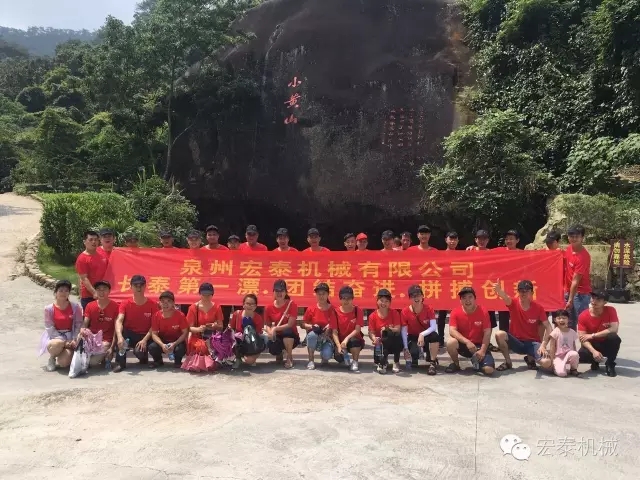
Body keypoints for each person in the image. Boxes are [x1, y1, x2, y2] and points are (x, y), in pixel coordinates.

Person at [493, 279, 552, 371]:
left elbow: (548, 327)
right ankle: (508, 362)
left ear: (532, 293)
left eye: (526, 291)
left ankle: (530, 359)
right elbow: (505, 297)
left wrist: (543, 345)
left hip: (532, 343)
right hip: (516, 342)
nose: (523, 293)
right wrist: (499, 291)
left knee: (547, 362)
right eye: (521, 290)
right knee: (499, 334)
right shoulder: (513, 303)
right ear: (518, 292)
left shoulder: (538, 308)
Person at [445, 287, 495, 375]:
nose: (467, 300)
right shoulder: (455, 312)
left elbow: (487, 332)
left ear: (475, 298)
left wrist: (483, 351)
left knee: (489, 370)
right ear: (460, 300)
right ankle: (456, 364)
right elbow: (452, 331)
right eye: (464, 298)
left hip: (479, 346)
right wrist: (467, 342)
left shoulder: (483, 311)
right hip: (464, 345)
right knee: (451, 343)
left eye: (470, 297)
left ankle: (477, 363)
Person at [113, 275, 157, 373]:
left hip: (146, 335)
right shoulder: (125, 303)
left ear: (145, 286)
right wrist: (119, 336)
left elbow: (154, 325)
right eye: (135, 285)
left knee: (141, 351)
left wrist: (144, 340)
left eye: (141, 285)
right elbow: (119, 320)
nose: (138, 288)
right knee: (120, 332)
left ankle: (143, 356)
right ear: (131, 287)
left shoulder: (153, 304)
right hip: (130, 334)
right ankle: (120, 363)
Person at [40, 280, 83, 372]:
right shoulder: (49, 309)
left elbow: (78, 324)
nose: (64, 293)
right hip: (55, 337)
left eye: (66, 291)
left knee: (63, 363)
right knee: (56, 344)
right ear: (56, 292)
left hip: (71, 336)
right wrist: (64, 341)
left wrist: (74, 339)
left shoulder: (75, 307)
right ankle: (52, 357)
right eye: (61, 290)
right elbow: (49, 327)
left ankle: (63, 354)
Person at [181, 283, 224, 372]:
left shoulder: (217, 307)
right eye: (204, 294)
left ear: (212, 294)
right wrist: (199, 329)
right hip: (198, 336)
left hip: (212, 336)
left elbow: (221, 326)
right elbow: (188, 328)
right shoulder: (193, 307)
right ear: (200, 294)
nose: (206, 297)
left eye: (209, 295)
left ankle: (214, 361)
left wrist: (214, 326)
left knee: (220, 343)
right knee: (201, 346)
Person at [577, 291, 621, 377]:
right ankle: (594, 361)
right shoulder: (583, 315)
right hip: (592, 344)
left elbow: (614, 329)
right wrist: (593, 351)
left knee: (614, 338)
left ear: (605, 302)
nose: (594, 301)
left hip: (605, 343)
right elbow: (582, 338)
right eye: (593, 298)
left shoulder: (611, 310)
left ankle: (610, 363)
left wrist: (592, 335)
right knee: (582, 355)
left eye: (598, 299)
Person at [400, 285, 439, 375]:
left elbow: (433, 327)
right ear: (410, 298)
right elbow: (404, 331)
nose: (416, 298)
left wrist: (422, 334)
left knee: (435, 336)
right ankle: (415, 356)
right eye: (413, 296)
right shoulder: (405, 311)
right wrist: (405, 348)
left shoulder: (429, 309)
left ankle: (432, 362)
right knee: (414, 353)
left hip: (426, 336)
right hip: (413, 336)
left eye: (418, 295)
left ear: (422, 296)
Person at [81, 280, 118, 367]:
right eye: (98, 289)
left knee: (92, 362)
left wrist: (112, 347)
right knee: (80, 336)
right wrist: (82, 331)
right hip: (92, 338)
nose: (101, 292)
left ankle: (106, 356)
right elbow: (85, 324)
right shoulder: (90, 305)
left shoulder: (115, 306)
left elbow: (117, 329)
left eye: (104, 289)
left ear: (109, 291)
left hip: (106, 340)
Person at [264, 280, 299, 368]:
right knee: (272, 348)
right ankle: (279, 353)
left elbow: (290, 324)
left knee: (287, 331)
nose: (279, 293)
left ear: (286, 292)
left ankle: (289, 357)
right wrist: (270, 332)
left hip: (291, 336)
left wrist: (275, 328)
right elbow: (267, 324)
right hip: (278, 335)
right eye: (277, 291)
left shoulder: (292, 304)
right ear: (273, 292)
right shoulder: (268, 307)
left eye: (282, 291)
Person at [149, 291, 189, 368]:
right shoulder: (156, 316)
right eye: (163, 301)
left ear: (173, 303)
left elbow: (185, 333)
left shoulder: (180, 315)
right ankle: (158, 361)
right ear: (159, 303)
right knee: (152, 347)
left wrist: (174, 344)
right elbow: (154, 334)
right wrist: (162, 345)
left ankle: (178, 361)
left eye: (168, 301)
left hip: (177, 341)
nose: (165, 304)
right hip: (163, 340)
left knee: (180, 349)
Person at [330, 286, 365, 372]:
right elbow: (334, 332)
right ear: (340, 299)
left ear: (352, 298)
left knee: (354, 342)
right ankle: (344, 356)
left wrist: (346, 339)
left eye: (349, 298)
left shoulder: (358, 310)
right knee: (339, 357)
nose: (346, 301)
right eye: (344, 298)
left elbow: (357, 329)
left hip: (353, 339)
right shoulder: (335, 312)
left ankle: (355, 361)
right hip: (340, 341)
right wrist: (339, 346)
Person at [368, 289, 403, 373]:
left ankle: (396, 362)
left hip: (393, 342)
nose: (383, 303)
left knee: (395, 335)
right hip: (380, 344)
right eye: (381, 300)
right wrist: (374, 339)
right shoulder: (372, 316)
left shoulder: (394, 313)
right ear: (377, 301)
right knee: (377, 361)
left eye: (386, 301)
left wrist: (388, 329)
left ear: (390, 303)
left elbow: (398, 329)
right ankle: (383, 362)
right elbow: (371, 332)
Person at [302, 282, 335, 369]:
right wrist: (312, 327)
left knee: (327, 355)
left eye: (323, 294)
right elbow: (303, 324)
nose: (321, 296)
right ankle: (311, 360)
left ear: (328, 294)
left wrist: (330, 327)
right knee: (312, 335)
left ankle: (324, 358)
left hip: (327, 338)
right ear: (316, 295)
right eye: (319, 294)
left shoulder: (333, 309)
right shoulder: (311, 308)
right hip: (314, 337)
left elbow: (337, 324)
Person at [565, 225, 591, 329]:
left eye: (577, 236)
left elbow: (575, 281)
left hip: (580, 294)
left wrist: (570, 299)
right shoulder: (569, 249)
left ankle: (586, 340)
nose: (574, 239)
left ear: (582, 238)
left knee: (582, 323)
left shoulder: (583, 257)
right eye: (572, 236)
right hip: (568, 291)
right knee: (568, 323)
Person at [229, 294, 267, 368]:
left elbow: (258, 334)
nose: (250, 306)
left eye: (252, 304)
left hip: (251, 341)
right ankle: (238, 359)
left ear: (255, 306)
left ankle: (254, 355)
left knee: (249, 361)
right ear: (243, 305)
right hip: (239, 341)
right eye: (248, 304)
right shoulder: (236, 314)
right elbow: (232, 328)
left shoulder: (258, 318)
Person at [75, 230, 108, 310]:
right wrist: (94, 292)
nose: (94, 242)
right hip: (89, 296)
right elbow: (84, 278)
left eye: (96, 240)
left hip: (103, 293)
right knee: (89, 317)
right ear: (84, 242)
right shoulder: (82, 258)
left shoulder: (102, 254)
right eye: (91, 240)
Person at [436, 231, 459, 347]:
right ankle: (440, 339)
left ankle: (457, 339)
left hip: (457, 287)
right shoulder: (440, 255)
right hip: (444, 288)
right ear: (446, 240)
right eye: (451, 239)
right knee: (442, 315)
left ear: (458, 241)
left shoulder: (463, 255)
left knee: (458, 314)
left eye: (455, 239)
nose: (453, 241)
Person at [547, 309, 580, 377]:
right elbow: (552, 347)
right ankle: (557, 367)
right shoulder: (555, 332)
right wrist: (552, 361)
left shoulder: (572, 332)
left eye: (564, 318)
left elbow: (574, 345)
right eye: (559, 318)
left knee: (575, 354)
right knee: (562, 374)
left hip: (569, 355)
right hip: (558, 357)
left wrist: (576, 359)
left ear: (568, 319)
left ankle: (573, 369)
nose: (561, 320)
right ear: (555, 320)